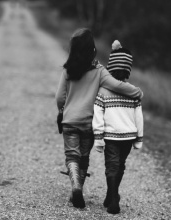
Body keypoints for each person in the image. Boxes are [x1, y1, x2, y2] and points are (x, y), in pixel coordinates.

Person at [55, 29, 143, 209]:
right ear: (92, 49)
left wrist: (62, 110)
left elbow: (59, 97)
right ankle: (79, 188)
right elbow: (117, 85)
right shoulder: (99, 71)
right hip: (88, 123)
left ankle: (76, 187)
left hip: (70, 121)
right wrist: (137, 92)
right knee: (84, 157)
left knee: (72, 155)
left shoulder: (67, 70)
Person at [92, 40, 144, 214]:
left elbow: (98, 115)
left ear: (110, 68)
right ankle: (112, 194)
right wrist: (139, 138)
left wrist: (98, 138)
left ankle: (113, 198)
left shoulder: (103, 91)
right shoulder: (132, 92)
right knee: (120, 165)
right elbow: (139, 117)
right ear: (128, 70)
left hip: (111, 136)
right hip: (128, 136)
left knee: (111, 166)